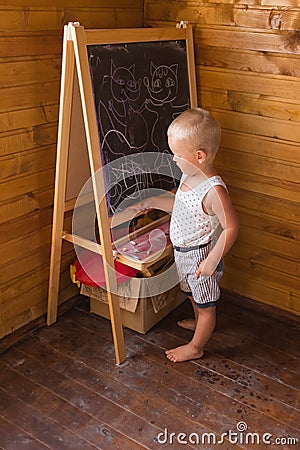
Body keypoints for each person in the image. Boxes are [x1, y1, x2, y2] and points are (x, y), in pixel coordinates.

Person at [130, 108, 239, 362]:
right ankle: (199, 318)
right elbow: (180, 204)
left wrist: (211, 261)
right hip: (182, 253)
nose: (174, 159)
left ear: (200, 156)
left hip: (201, 255)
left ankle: (196, 347)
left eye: (178, 155)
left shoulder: (214, 191)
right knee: (192, 294)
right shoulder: (188, 175)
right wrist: (155, 201)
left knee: (207, 304)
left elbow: (232, 227)